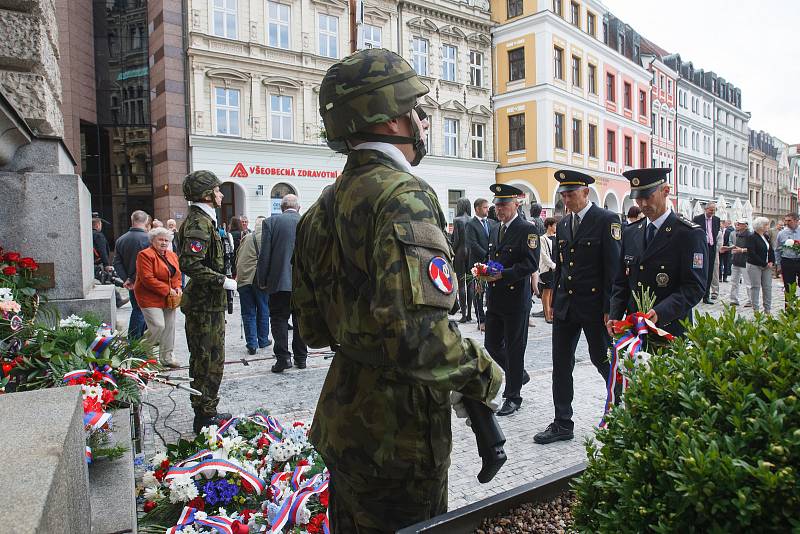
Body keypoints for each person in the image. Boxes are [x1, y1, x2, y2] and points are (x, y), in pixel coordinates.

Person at [293, 48, 503, 533]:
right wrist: (484, 373)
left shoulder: (320, 207)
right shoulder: (404, 195)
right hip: (399, 436)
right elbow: (421, 342)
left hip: (345, 419)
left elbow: (313, 330)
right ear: (390, 119)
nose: (423, 121)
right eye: (417, 110)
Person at [534, 170, 621, 444]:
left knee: (601, 359)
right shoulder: (562, 225)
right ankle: (562, 422)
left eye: (571, 194)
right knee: (561, 364)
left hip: (595, 307)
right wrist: (553, 300)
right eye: (563, 194)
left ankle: (622, 410)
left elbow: (614, 268)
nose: (566, 199)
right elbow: (562, 265)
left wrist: (611, 308)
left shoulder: (606, 220)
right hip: (566, 306)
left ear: (585, 192)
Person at [608, 168, 707, 338]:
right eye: (638, 198)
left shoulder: (688, 233)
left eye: (648, 196)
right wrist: (615, 315)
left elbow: (694, 286)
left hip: (670, 327)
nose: (643, 204)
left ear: (665, 191)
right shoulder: (631, 232)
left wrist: (661, 311)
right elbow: (621, 282)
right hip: (634, 328)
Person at [177, 170, 235, 433]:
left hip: (209, 303)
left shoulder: (206, 220)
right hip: (203, 304)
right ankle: (204, 416)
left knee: (212, 359)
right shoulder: (199, 223)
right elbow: (189, 263)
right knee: (206, 360)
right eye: (217, 189)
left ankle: (207, 409)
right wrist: (220, 281)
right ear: (207, 194)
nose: (221, 193)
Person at [484, 183, 539, 417]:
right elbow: (495, 257)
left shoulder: (527, 229)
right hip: (496, 297)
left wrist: (502, 274)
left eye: (504, 205)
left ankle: (513, 396)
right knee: (491, 344)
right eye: (497, 205)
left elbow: (530, 264)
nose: (499, 209)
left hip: (516, 299)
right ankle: (519, 374)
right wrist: (486, 272)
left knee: (516, 348)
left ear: (516, 204)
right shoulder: (496, 228)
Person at [257, 194, 307, 373]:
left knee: (279, 319)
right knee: (300, 320)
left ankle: (283, 358)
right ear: (298, 208)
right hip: (303, 283)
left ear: (281, 208)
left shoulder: (271, 223)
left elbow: (265, 255)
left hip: (279, 281)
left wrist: (262, 280)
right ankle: (301, 358)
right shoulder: (306, 222)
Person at [133, 227, 182, 367]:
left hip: (169, 298)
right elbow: (147, 278)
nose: (164, 243)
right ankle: (143, 349)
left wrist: (177, 287)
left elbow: (177, 275)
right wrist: (168, 290)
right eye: (160, 239)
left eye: (166, 240)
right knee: (158, 326)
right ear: (152, 240)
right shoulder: (145, 255)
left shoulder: (172, 255)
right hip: (149, 297)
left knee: (170, 327)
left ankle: (167, 358)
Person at [113, 210, 151, 339]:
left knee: (139, 309)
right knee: (141, 310)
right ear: (146, 221)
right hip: (146, 282)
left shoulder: (121, 240)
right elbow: (149, 263)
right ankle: (134, 340)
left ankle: (141, 337)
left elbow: (117, 263)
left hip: (132, 283)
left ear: (132, 220)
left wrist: (127, 279)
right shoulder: (149, 239)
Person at [235, 218, 271, 355]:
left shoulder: (247, 237)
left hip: (244, 279)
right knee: (263, 308)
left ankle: (251, 343)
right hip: (259, 278)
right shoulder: (267, 237)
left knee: (248, 312)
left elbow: (238, 257)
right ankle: (263, 339)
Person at [465, 197, 497, 331]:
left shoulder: (491, 223)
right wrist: (486, 254)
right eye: (485, 207)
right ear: (477, 208)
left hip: (491, 263)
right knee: (479, 292)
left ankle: (491, 318)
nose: (487, 209)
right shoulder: (471, 224)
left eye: (488, 207)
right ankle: (481, 320)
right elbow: (472, 244)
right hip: (478, 264)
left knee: (491, 291)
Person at [745, 217, 775, 314]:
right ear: (760, 226)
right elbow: (752, 253)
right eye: (766, 225)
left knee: (767, 287)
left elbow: (770, 250)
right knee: (755, 287)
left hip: (767, 266)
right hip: (755, 266)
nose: (768, 227)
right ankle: (756, 310)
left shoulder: (766, 236)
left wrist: (771, 261)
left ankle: (767, 309)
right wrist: (764, 263)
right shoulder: (752, 237)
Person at [451, 197, 473, 323]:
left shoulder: (457, 220)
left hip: (460, 252)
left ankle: (464, 315)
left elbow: (457, 240)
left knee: (461, 284)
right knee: (471, 284)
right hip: (471, 252)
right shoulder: (472, 219)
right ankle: (470, 313)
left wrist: (452, 251)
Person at [693, 202, 720, 304]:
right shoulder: (697, 219)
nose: (712, 212)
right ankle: (697, 293)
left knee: (709, 271)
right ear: (706, 209)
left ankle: (706, 295)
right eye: (711, 210)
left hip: (711, 248)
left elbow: (715, 233)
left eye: (714, 210)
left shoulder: (716, 220)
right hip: (700, 249)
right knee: (699, 270)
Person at [728, 218, 753, 307]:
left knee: (748, 282)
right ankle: (734, 299)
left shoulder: (750, 235)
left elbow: (752, 249)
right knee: (734, 281)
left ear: (745, 226)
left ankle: (751, 300)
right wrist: (729, 248)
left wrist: (742, 250)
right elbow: (736, 247)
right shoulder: (737, 234)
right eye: (737, 223)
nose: (737, 225)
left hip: (745, 261)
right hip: (736, 260)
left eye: (740, 224)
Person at [775, 213, 800, 299]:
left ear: (797, 221)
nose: (787, 223)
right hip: (787, 261)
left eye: (789, 220)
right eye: (785, 220)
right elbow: (777, 250)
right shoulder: (782, 233)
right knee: (788, 287)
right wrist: (778, 265)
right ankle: (789, 309)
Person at [538, 217, 557, 323]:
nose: (556, 227)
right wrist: (553, 265)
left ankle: (552, 313)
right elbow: (544, 255)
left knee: (553, 292)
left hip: (555, 268)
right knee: (546, 291)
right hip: (547, 269)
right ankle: (547, 314)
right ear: (549, 226)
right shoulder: (543, 238)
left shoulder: (556, 237)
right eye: (554, 225)